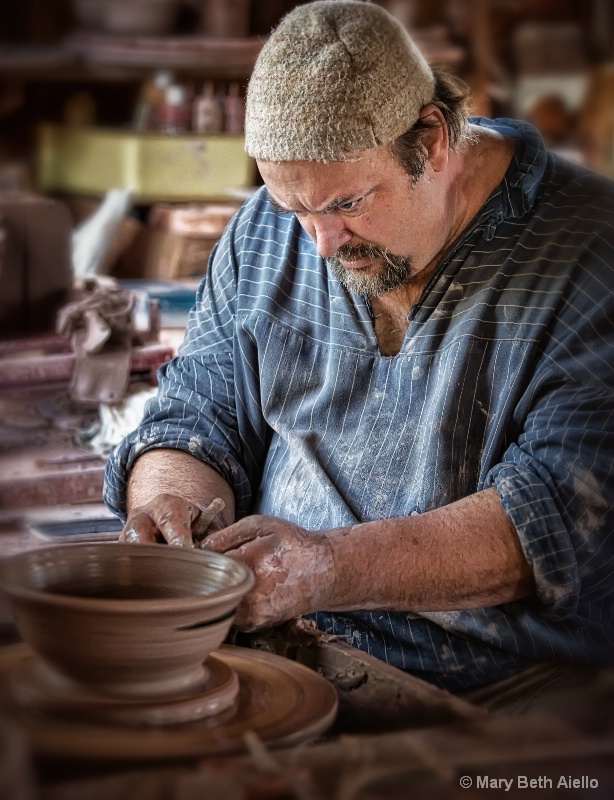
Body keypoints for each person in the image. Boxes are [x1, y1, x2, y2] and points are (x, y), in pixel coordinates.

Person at [104, 0, 614, 695]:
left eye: (347, 204)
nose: (321, 244)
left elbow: (562, 515)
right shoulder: (267, 233)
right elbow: (197, 411)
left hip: (489, 686)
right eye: (295, 208)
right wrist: (170, 501)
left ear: (430, 141)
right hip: (278, 643)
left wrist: (328, 570)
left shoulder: (590, 249)